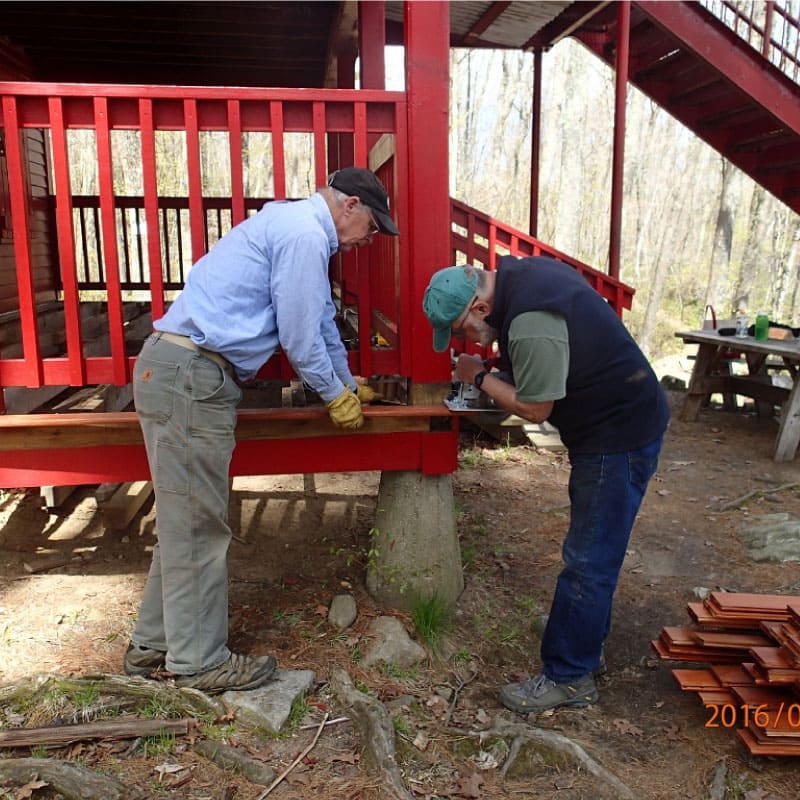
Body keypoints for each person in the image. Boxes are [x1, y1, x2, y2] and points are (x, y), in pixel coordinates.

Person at [125, 167, 398, 694]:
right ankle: (199, 663)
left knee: (187, 520)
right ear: (349, 206)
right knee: (201, 527)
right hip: (191, 376)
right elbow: (299, 336)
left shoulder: (300, 232)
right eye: (372, 225)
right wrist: (332, 395)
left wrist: (346, 384)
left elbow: (320, 321)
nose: (370, 238)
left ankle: (153, 645)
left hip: (185, 374)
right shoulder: (301, 235)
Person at [422, 257, 669, 713]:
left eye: (461, 331)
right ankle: (580, 629)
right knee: (594, 550)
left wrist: (478, 376)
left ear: (478, 306)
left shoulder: (531, 321)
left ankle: (569, 675)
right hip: (618, 419)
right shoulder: (522, 279)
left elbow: (537, 410)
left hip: (617, 435)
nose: (465, 341)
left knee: (588, 558)